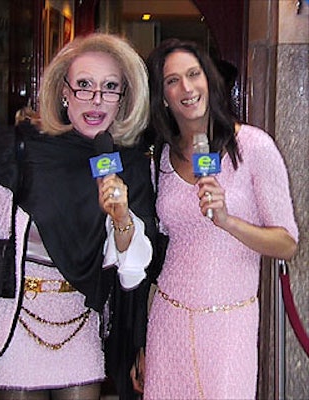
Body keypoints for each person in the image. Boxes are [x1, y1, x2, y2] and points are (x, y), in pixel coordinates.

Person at [0, 33, 157, 400]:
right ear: (63, 90)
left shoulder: (125, 163)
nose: (96, 100)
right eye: (84, 85)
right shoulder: (12, 147)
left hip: (79, 325)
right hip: (16, 325)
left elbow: (130, 273)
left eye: (110, 87)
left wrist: (121, 214)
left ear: (124, 98)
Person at [138, 38, 299, 400]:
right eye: (172, 80)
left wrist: (228, 221)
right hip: (168, 318)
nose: (186, 88)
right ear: (163, 96)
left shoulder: (254, 147)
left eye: (193, 74)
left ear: (209, 81)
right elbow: (158, 248)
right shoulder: (160, 159)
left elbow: (287, 244)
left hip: (230, 323)